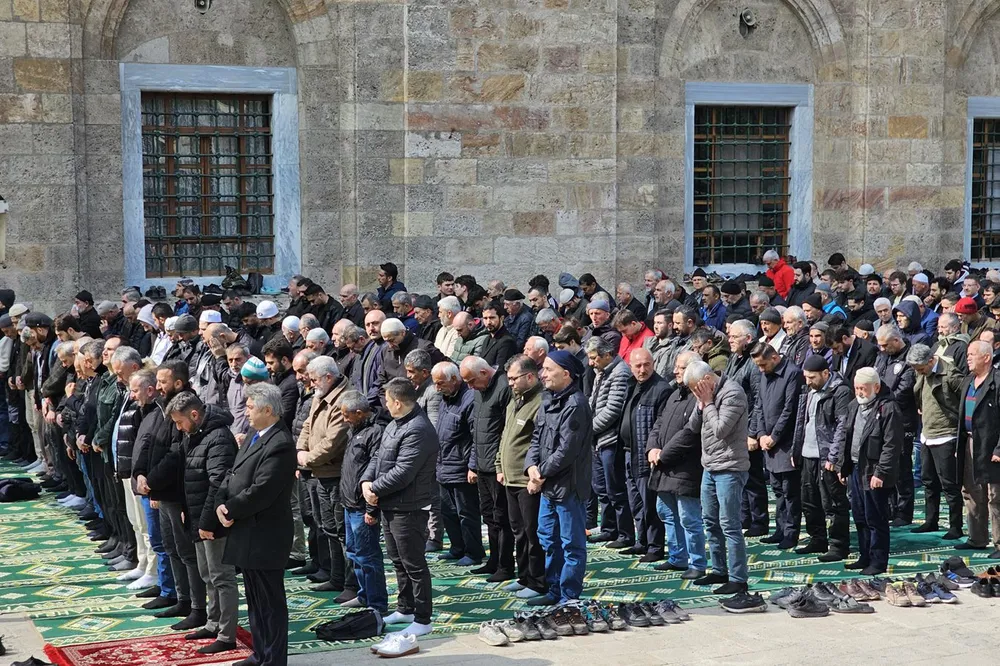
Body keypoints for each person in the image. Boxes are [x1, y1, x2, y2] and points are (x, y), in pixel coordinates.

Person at [216, 382, 296, 666]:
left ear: (268, 410)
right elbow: (235, 472)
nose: (245, 412)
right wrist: (221, 501)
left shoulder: (281, 444)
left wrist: (231, 507)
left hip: (265, 533)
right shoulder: (255, 434)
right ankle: (261, 653)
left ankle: (273, 660)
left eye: (251, 407)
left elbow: (262, 489)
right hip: (247, 530)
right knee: (255, 601)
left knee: (270, 603)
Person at [361, 378, 439, 642]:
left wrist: (375, 488)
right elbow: (378, 457)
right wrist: (366, 481)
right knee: (398, 560)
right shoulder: (395, 424)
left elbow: (404, 472)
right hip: (390, 504)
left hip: (409, 507)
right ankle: (406, 609)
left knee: (414, 564)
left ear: (397, 401)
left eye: (386, 399)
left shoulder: (418, 429)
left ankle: (423, 619)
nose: (384, 403)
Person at [166, 392, 239, 655]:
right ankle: (213, 622)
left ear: (194, 415)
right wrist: (188, 511)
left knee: (222, 577)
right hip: (199, 516)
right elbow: (191, 476)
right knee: (208, 574)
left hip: (213, 521)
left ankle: (227, 633)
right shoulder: (195, 435)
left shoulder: (218, 437)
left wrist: (207, 521)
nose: (178, 428)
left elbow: (218, 482)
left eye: (180, 421)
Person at [683, 360, 758, 609]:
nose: (696, 393)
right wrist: (701, 403)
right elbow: (694, 426)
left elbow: (720, 429)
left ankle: (738, 578)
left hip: (730, 467)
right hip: (709, 466)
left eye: (696, 388)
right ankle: (719, 569)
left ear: (707, 380)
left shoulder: (733, 393)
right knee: (710, 521)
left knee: (730, 525)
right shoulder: (705, 397)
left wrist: (709, 403)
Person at [524, 351, 593, 606]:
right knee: (548, 540)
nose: (543, 374)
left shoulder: (576, 404)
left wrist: (539, 473)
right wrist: (531, 466)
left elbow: (567, 451)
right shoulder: (547, 400)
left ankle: (569, 595)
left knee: (571, 544)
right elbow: (536, 439)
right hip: (548, 485)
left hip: (568, 487)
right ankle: (554, 590)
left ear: (566, 374)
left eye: (549, 370)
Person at [297, 356, 357, 601]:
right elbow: (307, 427)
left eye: (313, 379)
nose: (310, 384)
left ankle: (350, 583)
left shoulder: (344, 399)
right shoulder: (321, 395)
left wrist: (306, 458)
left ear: (328, 377)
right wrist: (300, 451)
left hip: (334, 473)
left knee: (342, 532)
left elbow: (333, 442)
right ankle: (336, 576)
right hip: (318, 472)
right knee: (327, 528)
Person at [646, 350, 705, 577]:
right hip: (663, 467)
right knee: (666, 513)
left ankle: (697, 563)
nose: (675, 371)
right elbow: (659, 423)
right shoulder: (674, 394)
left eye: (680, 367)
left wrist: (663, 454)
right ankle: (677, 557)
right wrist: (652, 448)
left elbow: (689, 433)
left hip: (685, 468)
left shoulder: (698, 396)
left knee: (689, 518)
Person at [841, 367, 902, 576]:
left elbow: (891, 445)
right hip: (856, 469)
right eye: (856, 388)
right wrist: (843, 466)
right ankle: (864, 556)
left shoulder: (888, 408)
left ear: (876, 387)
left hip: (874, 471)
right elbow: (846, 437)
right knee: (860, 516)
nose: (859, 392)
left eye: (863, 388)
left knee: (876, 518)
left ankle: (878, 561)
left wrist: (881, 473)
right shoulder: (853, 406)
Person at [791, 355, 852, 562]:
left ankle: (838, 545)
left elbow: (842, 427)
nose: (808, 381)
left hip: (827, 457)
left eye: (812, 377)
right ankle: (817, 538)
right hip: (808, 455)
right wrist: (796, 450)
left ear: (826, 374)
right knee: (809, 501)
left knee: (833, 504)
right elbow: (803, 422)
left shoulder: (840, 392)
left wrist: (833, 457)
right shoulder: (809, 391)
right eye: (806, 377)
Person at [496, 355, 546, 599]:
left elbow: (540, 444)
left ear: (530, 376)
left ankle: (537, 581)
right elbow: (506, 436)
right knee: (519, 532)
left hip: (527, 481)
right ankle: (524, 576)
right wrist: (499, 464)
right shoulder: (514, 401)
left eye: (514, 378)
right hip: (509, 479)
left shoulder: (540, 402)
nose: (511, 383)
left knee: (532, 533)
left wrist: (535, 475)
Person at [460, 355, 514, 581]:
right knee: (489, 517)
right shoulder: (478, 391)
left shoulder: (503, 388)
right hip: (482, 465)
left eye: (472, 381)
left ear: (484, 372)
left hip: (497, 467)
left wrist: (500, 464)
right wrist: (473, 464)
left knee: (502, 518)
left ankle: (505, 565)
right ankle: (493, 561)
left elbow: (505, 430)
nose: (470, 387)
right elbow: (477, 432)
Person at [337, 390, 388, 613]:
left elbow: (374, 471)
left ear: (359, 413)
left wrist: (371, 508)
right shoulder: (354, 431)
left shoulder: (375, 433)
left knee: (368, 556)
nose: (344, 419)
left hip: (362, 507)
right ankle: (364, 595)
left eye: (346, 415)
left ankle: (376, 603)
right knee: (354, 553)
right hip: (349, 505)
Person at [907, 343, 964, 540]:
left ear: (931, 360)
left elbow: (963, 400)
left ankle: (956, 526)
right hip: (927, 433)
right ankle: (932, 520)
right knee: (929, 480)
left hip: (947, 434)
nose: (919, 372)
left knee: (949, 484)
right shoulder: (921, 373)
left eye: (921, 368)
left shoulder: (951, 374)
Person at [749, 343, 803, 549]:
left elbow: (790, 410)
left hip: (786, 442)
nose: (761, 369)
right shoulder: (765, 375)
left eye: (763, 365)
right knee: (777, 490)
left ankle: (791, 532)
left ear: (774, 358)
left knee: (790, 492)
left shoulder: (792, 373)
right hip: (769, 443)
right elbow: (759, 406)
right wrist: (760, 434)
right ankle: (780, 529)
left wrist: (774, 436)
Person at [431, 361, 484, 566]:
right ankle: (457, 547)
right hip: (444, 465)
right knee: (448, 511)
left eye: (441, 383)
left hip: (461, 467)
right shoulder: (446, 398)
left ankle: (473, 552)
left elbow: (475, 437)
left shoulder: (469, 399)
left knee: (466, 513)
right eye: (435, 384)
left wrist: (472, 466)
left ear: (454, 379)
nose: (437, 388)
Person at [620, 348, 669, 562]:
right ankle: (642, 541)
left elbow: (660, 425)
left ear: (653, 364)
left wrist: (652, 449)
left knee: (650, 504)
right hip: (628, 452)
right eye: (638, 365)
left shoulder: (661, 389)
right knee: (636, 502)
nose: (642, 369)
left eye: (646, 364)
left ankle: (655, 547)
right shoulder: (631, 385)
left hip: (646, 454)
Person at [585, 336, 634, 548]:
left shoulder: (620, 372)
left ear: (607, 355)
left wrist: (589, 428)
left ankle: (624, 533)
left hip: (611, 439)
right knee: (601, 488)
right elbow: (593, 402)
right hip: (598, 440)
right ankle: (608, 528)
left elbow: (613, 410)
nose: (590, 363)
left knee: (616, 490)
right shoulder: (601, 372)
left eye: (594, 358)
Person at [722, 320, 767, 538]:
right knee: (740, 475)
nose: (729, 340)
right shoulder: (735, 358)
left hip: (749, 427)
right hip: (735, 425)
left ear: (748, 339)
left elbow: (759, 399)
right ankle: (744, 517)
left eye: (734, 337)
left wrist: (753, 432)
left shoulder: (753, 361)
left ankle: (759, 521)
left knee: (754, 477)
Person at [956, 340, 1000, 557]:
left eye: (973, 354)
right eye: (967, 354)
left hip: (991, 447)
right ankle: (977, 538)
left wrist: (999, 449)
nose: (968, 358)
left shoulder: (997, 381)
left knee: (996, 496)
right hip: (970, 442)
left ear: (987, 357)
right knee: (972, 492)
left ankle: (999, 543)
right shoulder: (968, 381)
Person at [873, 324, 917, 526]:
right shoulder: (882, 356)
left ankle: (904, 511)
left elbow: (904, 391)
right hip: (881, 417)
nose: (881, 349)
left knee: (902, 468)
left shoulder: (909, 359)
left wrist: (882, 401)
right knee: (885, 464)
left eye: (885, 345)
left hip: (902, 420)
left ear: (896, 341)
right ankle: (889, 508)